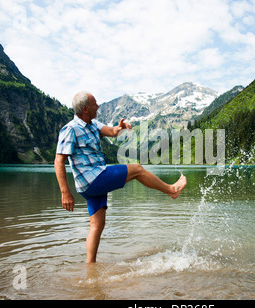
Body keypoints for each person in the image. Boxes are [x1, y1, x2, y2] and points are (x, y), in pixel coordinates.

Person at [54, 91, 187, 263]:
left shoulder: (92, 124)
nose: (98, 106)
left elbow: (112, 131)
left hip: (93, 182)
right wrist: (65, 192)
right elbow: (59, 161)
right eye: (95, 104)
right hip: (92, 179)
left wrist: (120, 128)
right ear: (86, 109)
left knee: (97, 225)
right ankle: (171, 190)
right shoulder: (70, 129)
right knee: (138, 169)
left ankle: (90, 267)